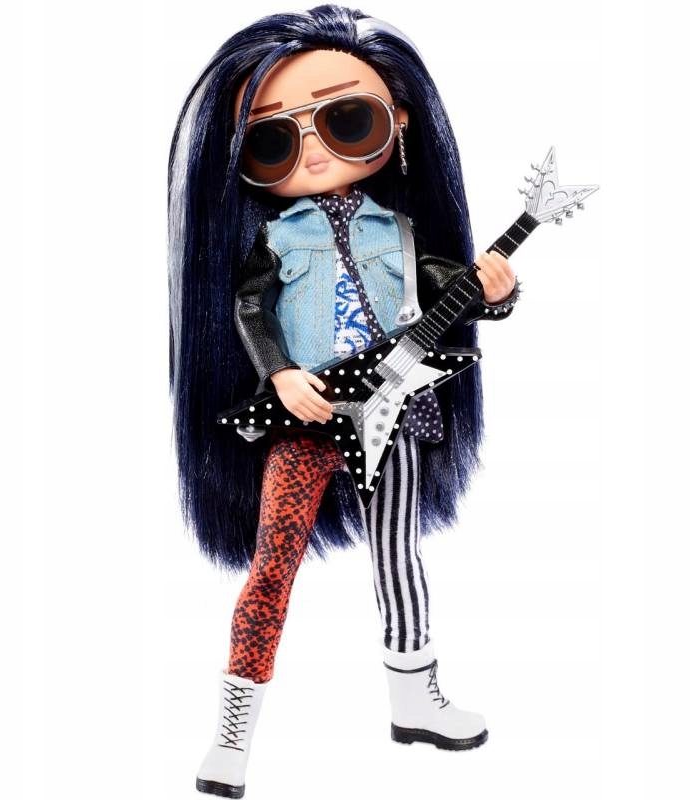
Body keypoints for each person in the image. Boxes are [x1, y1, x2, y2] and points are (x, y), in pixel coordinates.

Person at [168, 6, 519, 797]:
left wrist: (495, 292)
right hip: (307, 416)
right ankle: (233, 727)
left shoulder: (400, 230)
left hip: (395, 411)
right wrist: (281, 374)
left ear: (399, 120)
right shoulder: (277, 237)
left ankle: (415, 696)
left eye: (347, 120)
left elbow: (451, 292)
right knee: (273, 561)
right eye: (272, 140)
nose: (316, 151)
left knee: (398, 555)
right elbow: (251, 309)